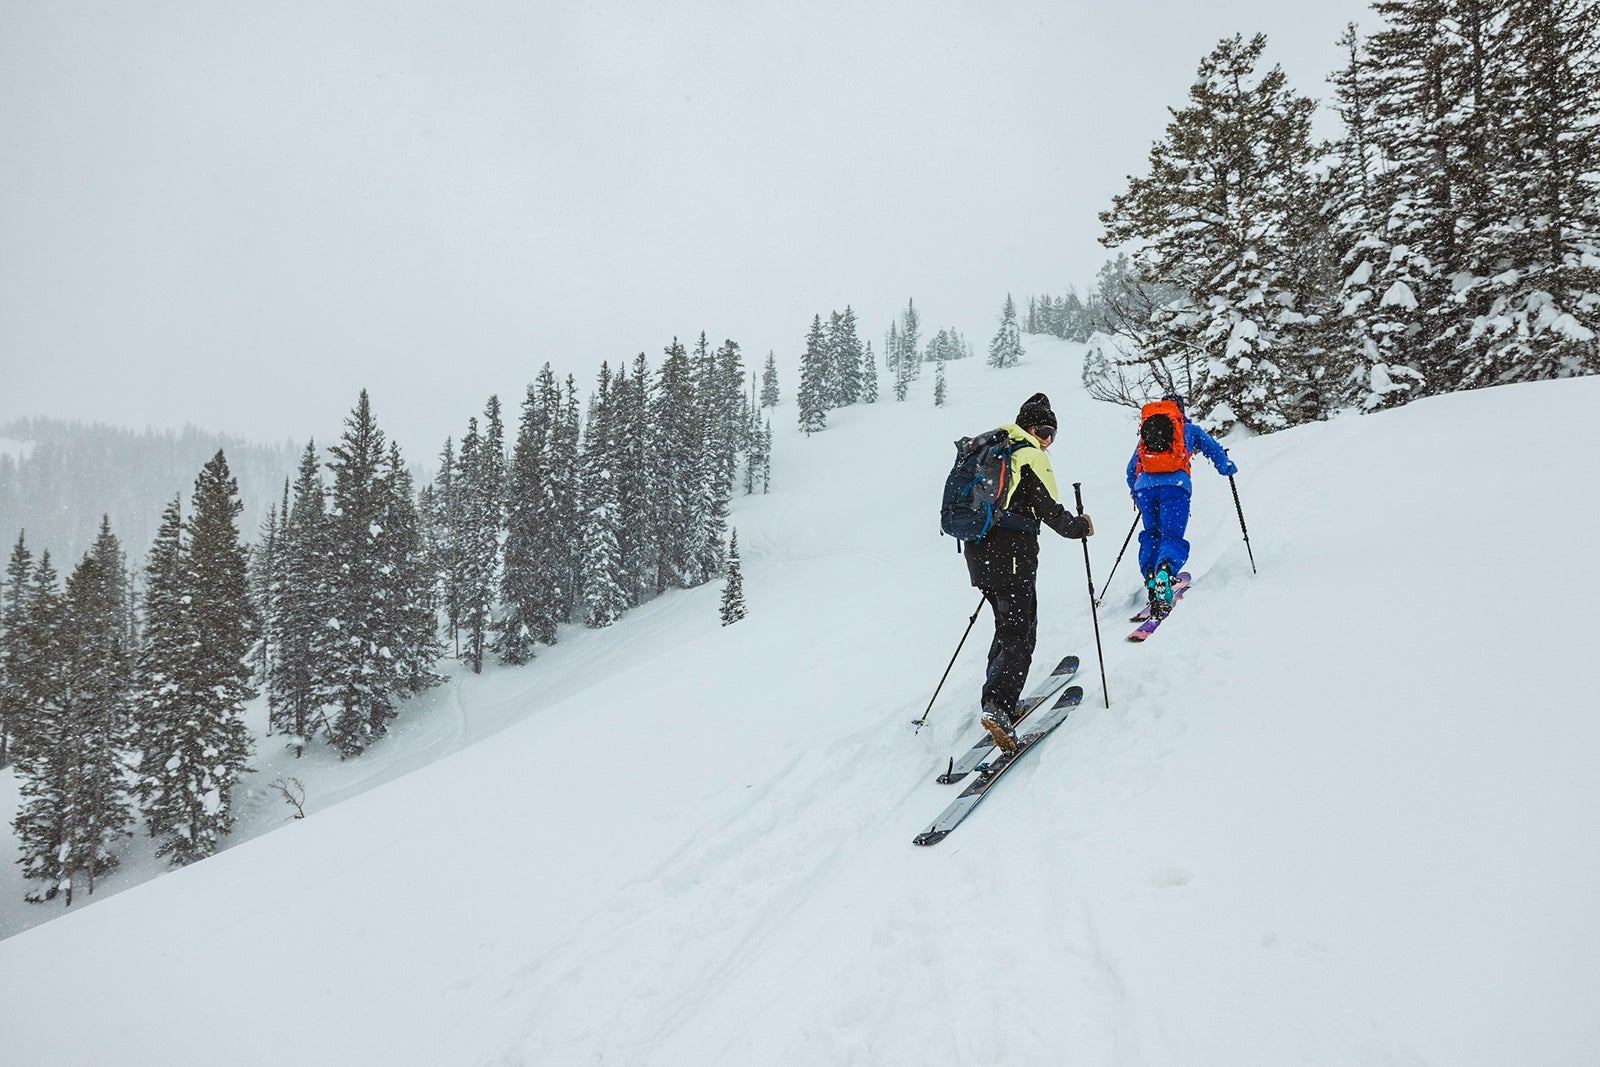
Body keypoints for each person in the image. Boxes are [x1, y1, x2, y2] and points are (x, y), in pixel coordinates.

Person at [965, 392, 1094, 752]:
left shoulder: (995, 450)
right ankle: (998, 705)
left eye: (1053, 434)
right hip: (1011, 555)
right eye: (1043, 431)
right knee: (1019, 633)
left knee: (1007, 626)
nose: (1047, 440)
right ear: (1028, 427)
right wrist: (1080, 527)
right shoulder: (1028, 455)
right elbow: (1050, 510)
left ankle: (999, 700)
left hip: (979, 553)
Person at [1125, 393, 1236, 617]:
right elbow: (1213, 449)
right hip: (1175, 488)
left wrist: (1137, 491)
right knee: (1172, 536)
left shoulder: (1147, 435)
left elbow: (1130, 469)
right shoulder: (1188, 430)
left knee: (1152, 534)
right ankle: (1165, 572)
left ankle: (1150, 577)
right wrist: (1227, 466)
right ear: (1180, 411)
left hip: (1145, 489)